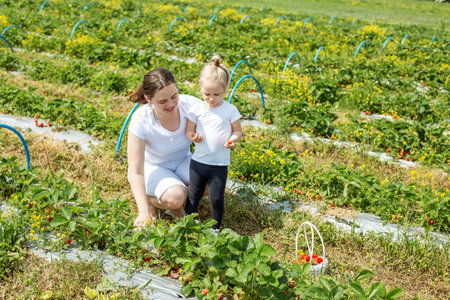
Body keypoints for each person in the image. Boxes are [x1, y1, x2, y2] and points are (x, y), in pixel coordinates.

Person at [127, 68, 202, 230]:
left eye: (174, 96)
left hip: (183, 161)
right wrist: (143, 211)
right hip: (152, 167)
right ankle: (154, 201)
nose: (171, 104)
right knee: (175, 197)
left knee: (215, 178)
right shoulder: (141, 120)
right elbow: (136, 171)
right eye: (162, 102)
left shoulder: (191, 105)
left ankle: (177, 196)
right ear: (149, 99)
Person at [185, 55, 243, 234]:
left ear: (224, 90)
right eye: (206, 94)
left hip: (219, 164)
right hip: (198, 162)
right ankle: (189, 223)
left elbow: (237, 131)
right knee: (193, 195)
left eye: (216, 94)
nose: (211, 98)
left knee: (216, 197)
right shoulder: (197, 109)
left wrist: (232, 139)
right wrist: (193, 137)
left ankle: (215, 227)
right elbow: (188, 132)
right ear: (201, 88)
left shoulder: (230, 110)